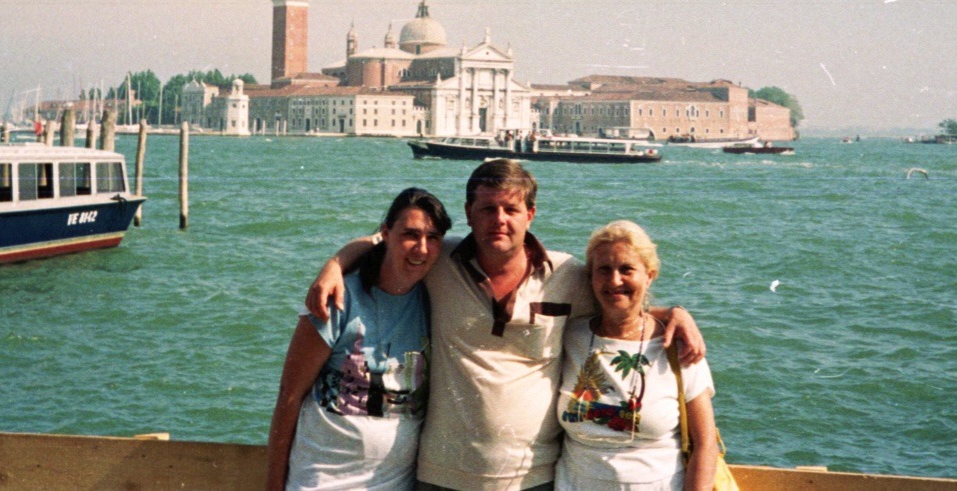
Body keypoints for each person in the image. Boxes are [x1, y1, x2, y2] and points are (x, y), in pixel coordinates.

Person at [307, 160, 705, 491]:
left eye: (511, 209)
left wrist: (672, 314)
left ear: (530, 214)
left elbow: (619, 298)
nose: (500, 219)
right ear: (468, 213)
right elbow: (388, 242)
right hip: (440, 475)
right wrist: (335, 264)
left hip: (534, 478)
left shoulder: (567, 275)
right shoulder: (439, 261)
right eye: (487, 208)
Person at [266, 187, 452, 491]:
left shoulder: (436, 296)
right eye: (410, 235)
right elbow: (289, 395)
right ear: (386, 234)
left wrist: (338, 260)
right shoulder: (339, 299)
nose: (421, 248)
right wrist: (274, 484)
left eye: (432, 238)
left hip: (394, 484)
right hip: (319, 481)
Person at [555, 221, 718, 491]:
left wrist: (675, 313)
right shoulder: (569, 335)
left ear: (649, 275)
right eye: (603, 270)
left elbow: (705, 444)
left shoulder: (677, 346)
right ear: (590, 277)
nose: (614, 280)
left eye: (626, 269)